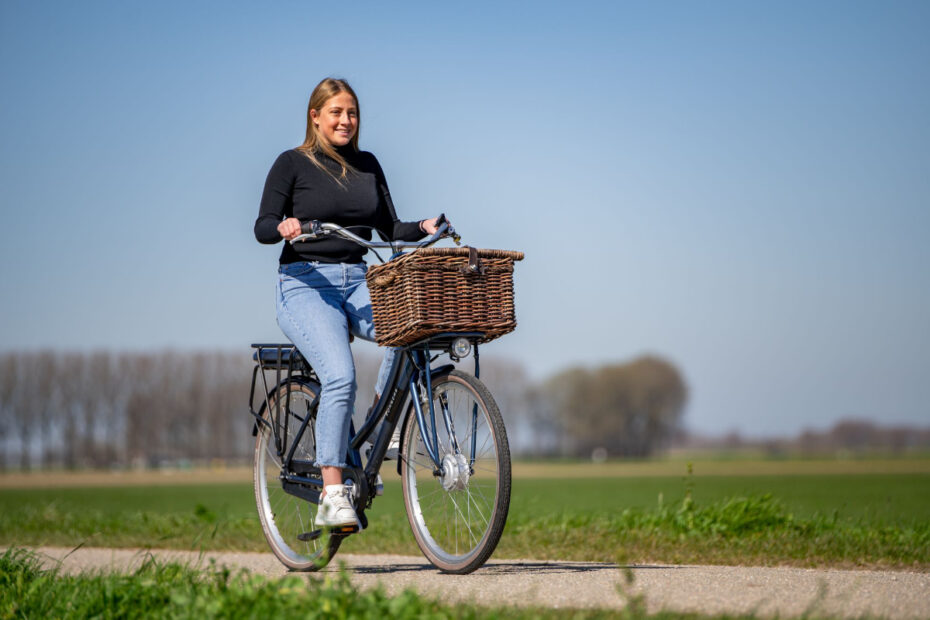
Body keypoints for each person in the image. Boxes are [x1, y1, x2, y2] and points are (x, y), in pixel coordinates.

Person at [254, 77, 441, 528]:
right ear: (315, 116)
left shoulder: (368, 165)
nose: (345, 120)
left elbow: (390, 228)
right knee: (340, 375)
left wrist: (426, 225)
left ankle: (385, 427)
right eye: (336, 112)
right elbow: (262, 225)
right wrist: (284, 228)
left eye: (352, 113)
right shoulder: (292, 163)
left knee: (409, 326)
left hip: (359, 278)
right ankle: (332, 492)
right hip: (304, 282)